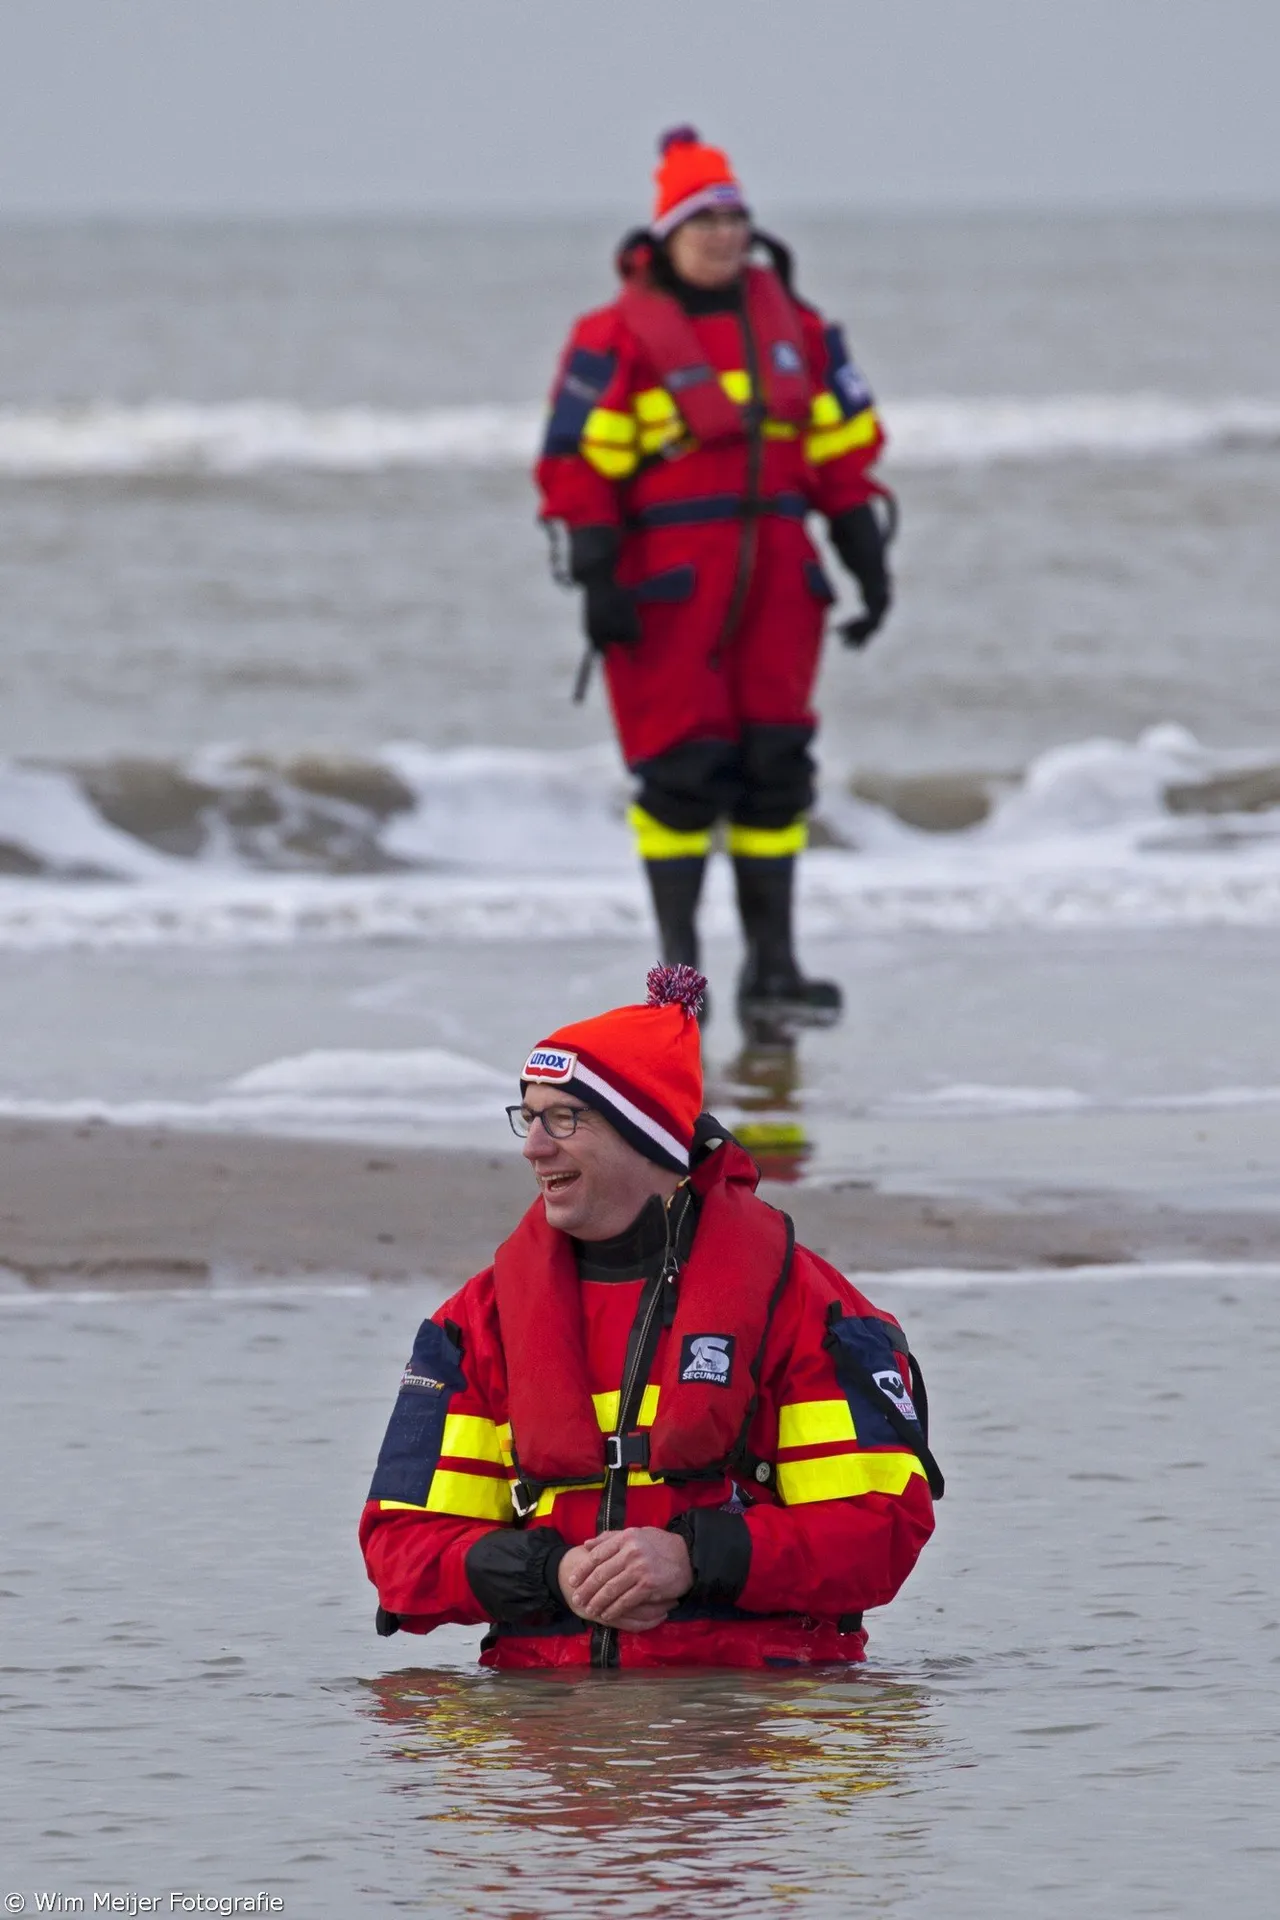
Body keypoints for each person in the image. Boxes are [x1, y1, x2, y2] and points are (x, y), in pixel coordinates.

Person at [360, 965, 939, 1671]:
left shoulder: (806, 1306)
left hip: (756, 1716)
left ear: (646, 1136)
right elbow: (399, 1551)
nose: (533, 1146)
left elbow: (883, 1534)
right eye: (528, 1117)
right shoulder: (475, 1323)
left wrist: (694, 1558)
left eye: (564, 1119)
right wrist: (551, 1573)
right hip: (542, 1721)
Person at [536, 128, 894, 1030]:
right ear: (666, 236)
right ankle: (677, 991)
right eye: (704, 221)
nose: (724, 236)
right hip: (666, 586)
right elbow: (576, 464)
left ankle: (775, 972)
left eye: (736, 219)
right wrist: (596, 573)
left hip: (781, 579)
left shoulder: (804, 331)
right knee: (680, 777)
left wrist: (866, 557)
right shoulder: (614, 337)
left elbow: (843, 455)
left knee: (776, 769)